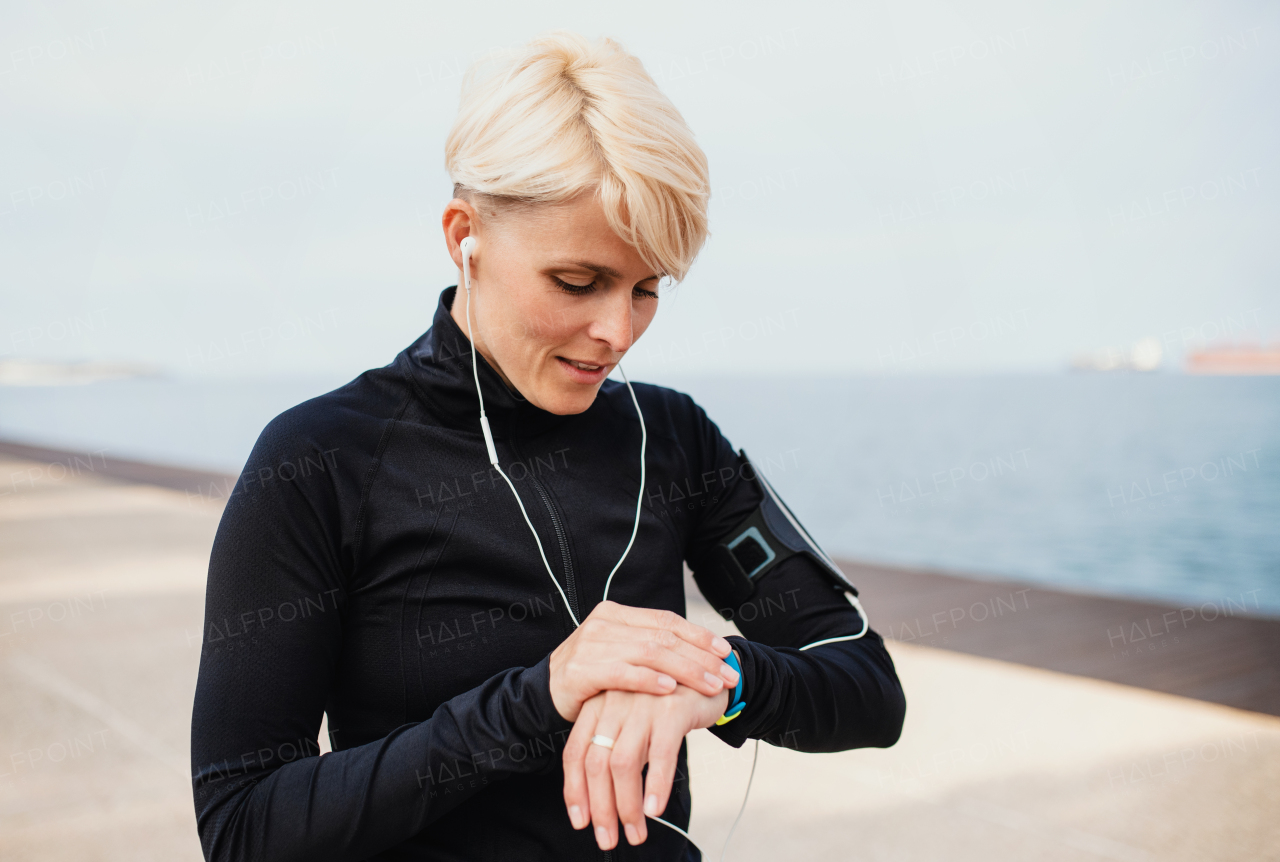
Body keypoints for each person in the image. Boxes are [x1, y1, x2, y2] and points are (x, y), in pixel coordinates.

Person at [190, 30, 905, 862]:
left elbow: (866, 687)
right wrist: (541, 698)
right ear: (466, 235)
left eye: (646, 290)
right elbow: (243, 828)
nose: (616, 333)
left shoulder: (672, 438)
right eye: (578, 282)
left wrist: (716, 684)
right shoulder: (321, 459)